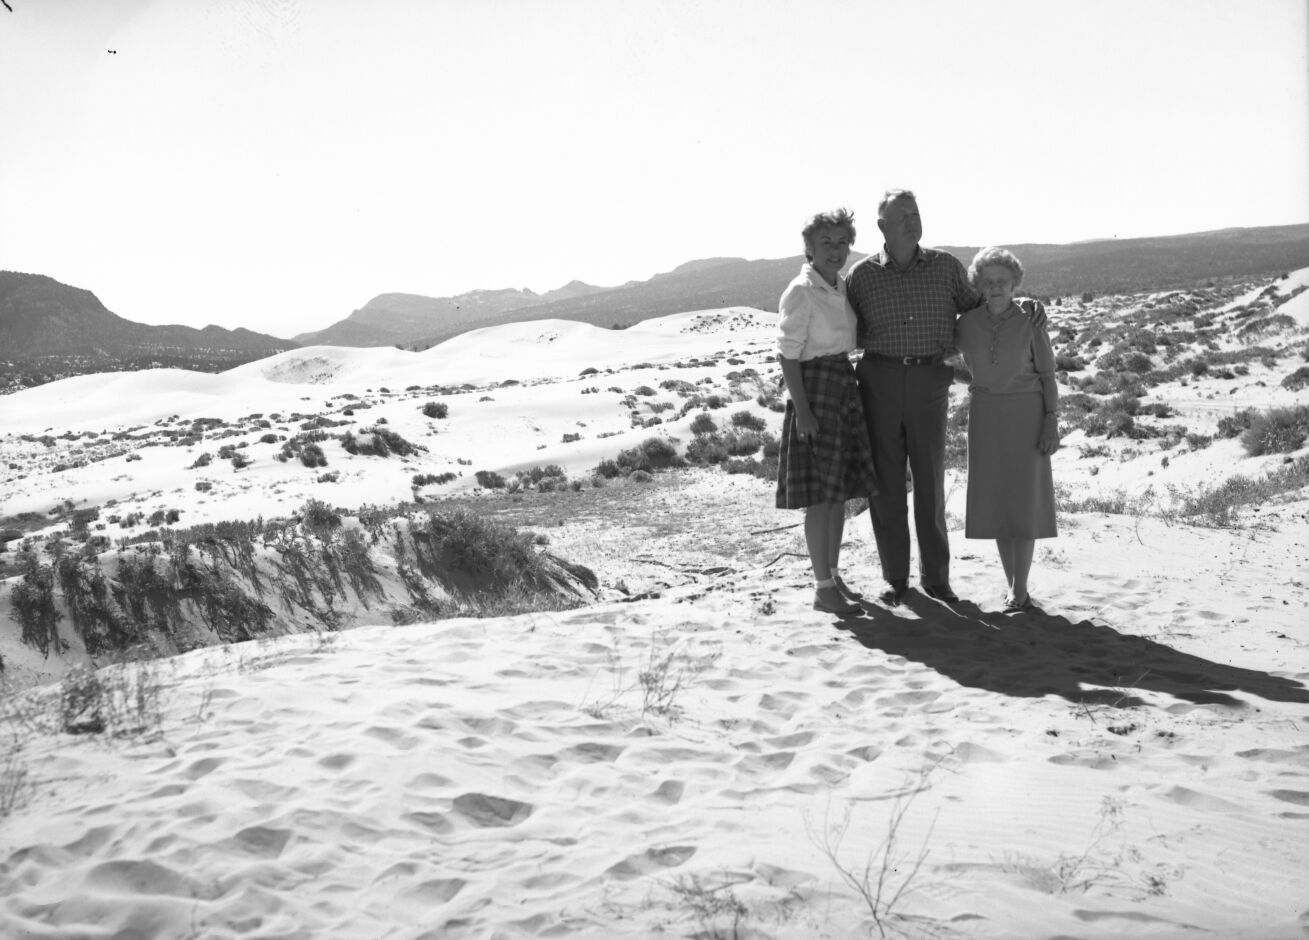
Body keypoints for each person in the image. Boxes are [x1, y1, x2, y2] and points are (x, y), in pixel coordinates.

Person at [846, 189, 1043, 606]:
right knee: (886, 485)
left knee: (931, 483)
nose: (912, 222)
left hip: (929, 379)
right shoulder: (861, 276)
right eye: (902, 217)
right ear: (882, 227)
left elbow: (987, 308)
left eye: (915, 214)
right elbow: (842, 325)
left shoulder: (945, 268)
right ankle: (894, 578)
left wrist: (1023, 303)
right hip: (878, 379)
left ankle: (936, 579)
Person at [775, 208, 879, 616]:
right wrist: (803, 410)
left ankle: (832, 575)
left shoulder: (838, 286)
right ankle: (821, 588)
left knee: (837, 496)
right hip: (815, 392)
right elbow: (787, 356)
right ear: (809, 248)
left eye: (842, 242)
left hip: (841, 386)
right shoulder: (802, 291)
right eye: (826, 243)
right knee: (820, 498)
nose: (835, 251)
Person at [955, 247, 1059, 611]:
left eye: (1003, 281)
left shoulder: (1032, 320)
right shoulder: (965, 323)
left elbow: (1047, 374)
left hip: (1027, 416)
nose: (996, 287)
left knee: (1023, 503)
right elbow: (945, 358)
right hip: (985, 417)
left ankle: (1020, 590)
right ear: (979, 285)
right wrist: (974, 379)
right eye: (988, 281)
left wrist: (1051, 421)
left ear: (1015, 283)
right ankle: (1013, 586)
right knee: (998, 503)